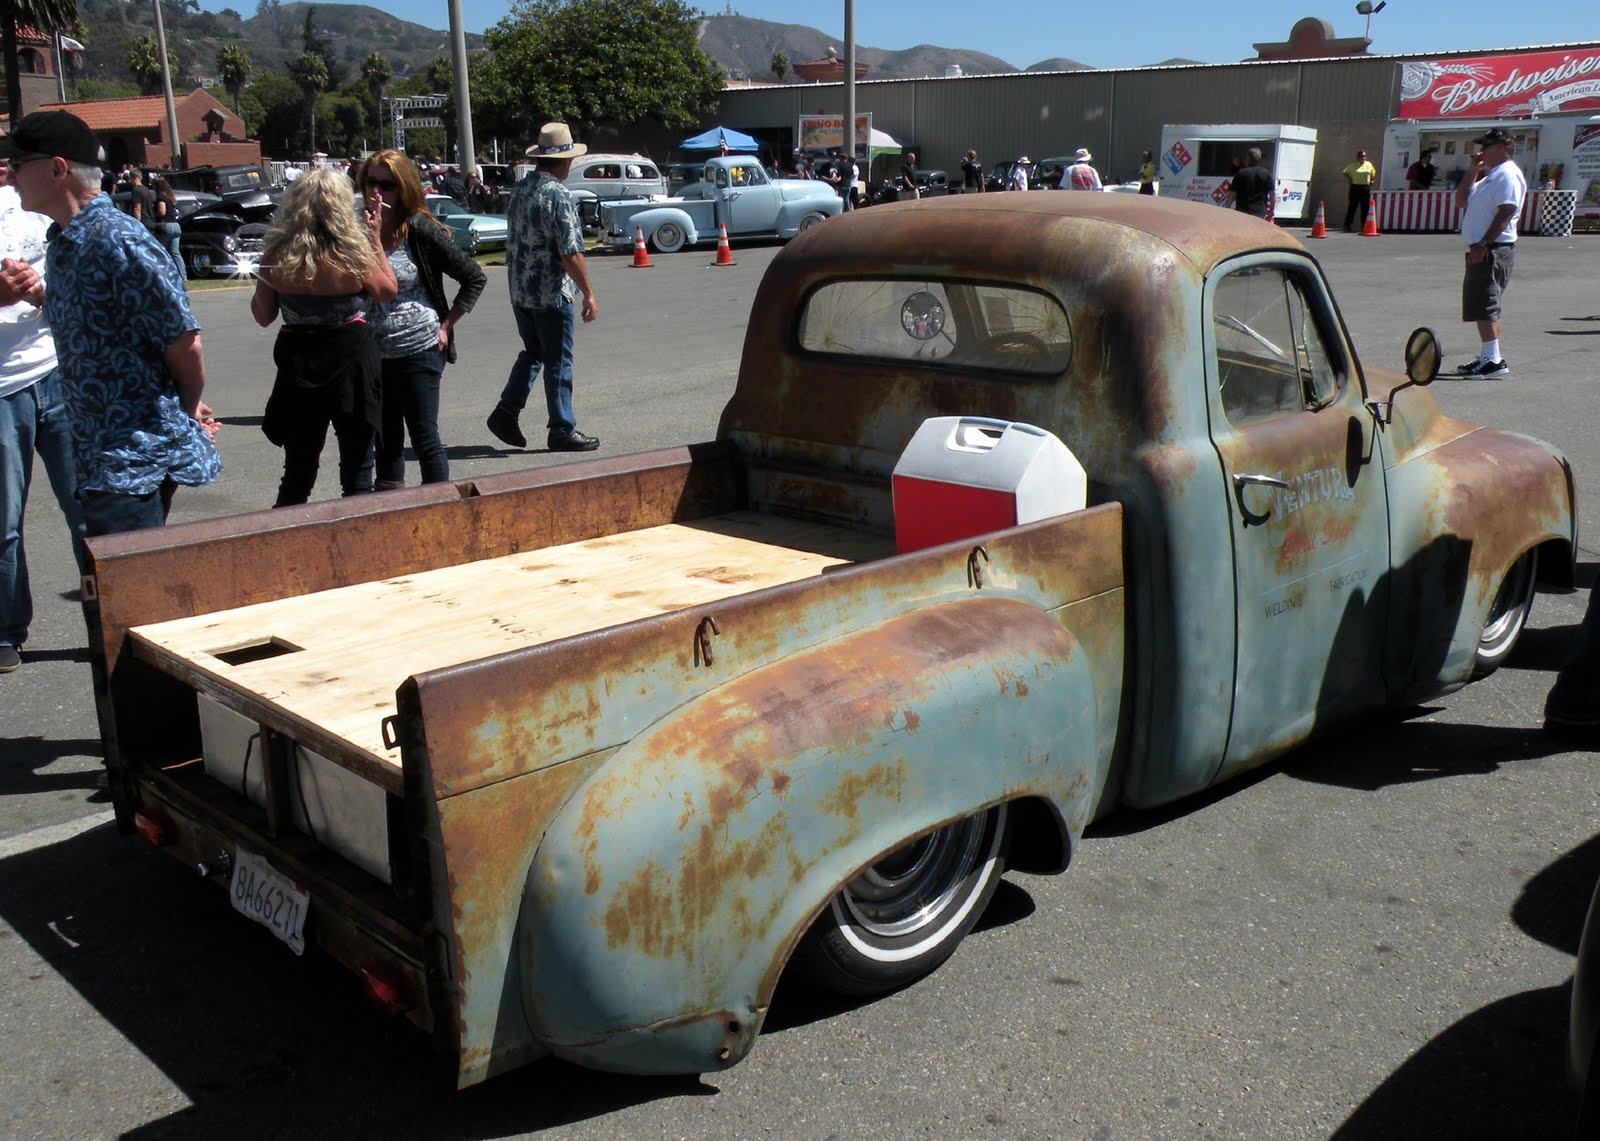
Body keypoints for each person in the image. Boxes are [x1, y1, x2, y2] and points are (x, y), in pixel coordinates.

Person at [0, 111, 219, 539]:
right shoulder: (64, 239)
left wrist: (187, 407)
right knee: (106, 568)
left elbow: (183, 342)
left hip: (131, 464)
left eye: (19, 163)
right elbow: (89, 321)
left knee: (131, 576)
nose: (10, 174)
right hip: (98, 456)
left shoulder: (117, 240)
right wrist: (38, 296)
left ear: (57, 169)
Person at [250, 170, 397, 506]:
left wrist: (269, 279)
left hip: (299, 363)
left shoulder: (277, 255)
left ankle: (288, 531)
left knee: (298, 471)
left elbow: (263, 316)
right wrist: (375, 238)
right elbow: (387, 290)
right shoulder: (352, 254)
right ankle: (356, 532)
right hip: (352, 363)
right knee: (358, 471)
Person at [359, 150, 486, 490]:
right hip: (372, 351)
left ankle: (438, 509)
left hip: (419, 346)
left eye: (386, 185)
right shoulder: (358, 230)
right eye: (370, 182)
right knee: (385, 438)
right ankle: (393, 509)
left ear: (404, 188)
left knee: (423, 435)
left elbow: (474, 277)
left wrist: (446, 326)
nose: (376, 192)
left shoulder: (419, 229)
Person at [0, 156, 81, 674]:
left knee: (88, 509)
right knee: (4, 523)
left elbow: (72, 290)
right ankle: (6, 630)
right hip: (2, 389)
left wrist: (39, 291)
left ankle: (108, 618)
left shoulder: (32, 203)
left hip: (56, 372)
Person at [486, 122, 600, 453]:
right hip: (550, 293)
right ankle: (561, 428)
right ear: (565, 160)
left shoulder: (520, 190)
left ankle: (506, 411)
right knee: (558, 360)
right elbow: (570, 252)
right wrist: (588, 292)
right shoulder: (558, 195)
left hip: (521, 290)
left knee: (534, 352)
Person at [1452, 127, 1526, 379]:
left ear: (1502, 147)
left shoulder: (1508, 174)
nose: (1481, 151)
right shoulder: (1490, 176)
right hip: (1484, 247)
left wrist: (1484, 243)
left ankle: (1493, 360)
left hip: (1492, 248)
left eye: (1486, 146)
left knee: (1486, 303)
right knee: (1484, 303)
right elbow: (1461, 201)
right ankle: (1487, 355)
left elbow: (1507, 211)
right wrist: (1473, 170)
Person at [148, 176, 184, 277]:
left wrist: (154, 214)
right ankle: (182, 275)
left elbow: (162, 211)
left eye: (153, 185)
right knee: (175, 253)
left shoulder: (161, 197)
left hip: (166, 225)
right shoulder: (170, 196)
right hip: (176, 225)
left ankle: (162, 274)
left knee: (160, 250)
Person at [1229, 147, 1273, 218]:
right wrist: (1271, 210)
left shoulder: (1241, 173)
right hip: (1259, 212)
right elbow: (1272, 195)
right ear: (1259, 159)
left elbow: (1231, 193)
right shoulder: (1266, 174)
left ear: (1247, 158)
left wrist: (1227, 207)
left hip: (1242, 211)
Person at [1342, 148, 1376, 231]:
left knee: (1365, 207)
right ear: (1357, 157)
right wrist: (1350, 179)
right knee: (1352, 206)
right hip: (1355, 187)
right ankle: (1347, 225)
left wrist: (1372, 179)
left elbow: (1373, 172)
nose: (1362, 158)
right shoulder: (1353, 165)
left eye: (1364, 156)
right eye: (1361, 156)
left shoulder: (1369, 164)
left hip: (1365, 187)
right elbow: (1345, 172)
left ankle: (1364, 225)